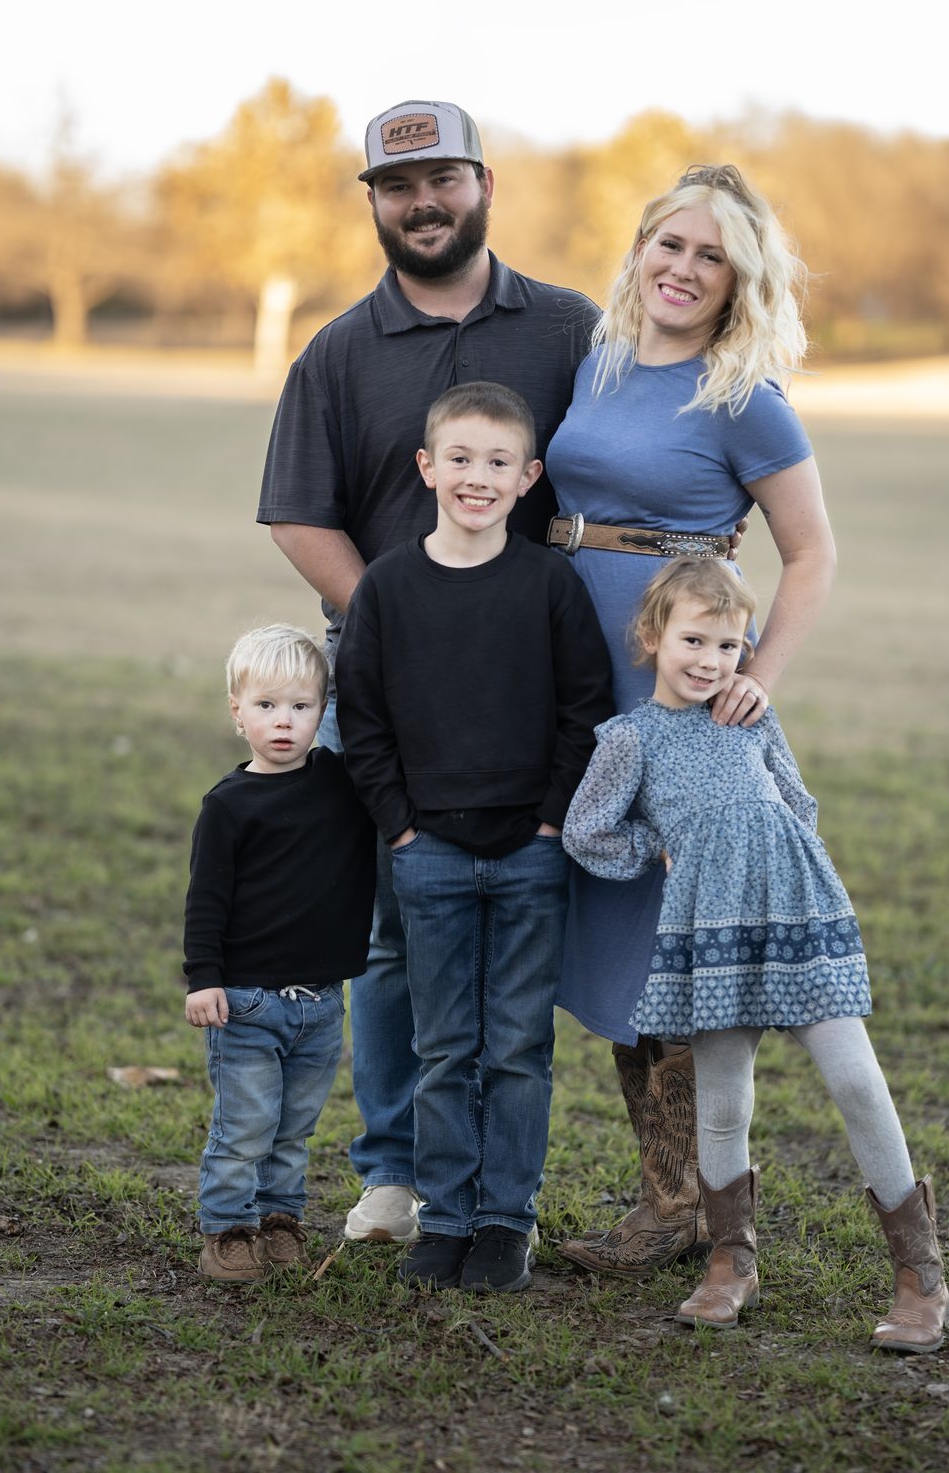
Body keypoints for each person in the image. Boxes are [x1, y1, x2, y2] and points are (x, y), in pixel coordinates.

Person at [257, 100, 597, 1245]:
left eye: (440, 180)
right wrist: (402, 625)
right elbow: (301, 517)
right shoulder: (339, 352)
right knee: (398, 936)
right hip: (387, 697)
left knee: (525, 939)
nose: (421, 204)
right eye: (396, 188)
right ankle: (397, 1172)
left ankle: (505, 1192)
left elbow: (625, 468)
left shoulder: (564, 330)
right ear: (374, 202)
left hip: (530, 695)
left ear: (482, 184)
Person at [543, 163, 836, 1277]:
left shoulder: (741, 393)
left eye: (707, 255)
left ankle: (702, 1206)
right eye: (668, 244)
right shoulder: (600, 361)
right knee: (613, 914)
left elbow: (810, 552)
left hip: (677, 692)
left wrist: (756, 675)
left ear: (737, 279)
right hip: (580, 673)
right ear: (640, 249)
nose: (680, 268)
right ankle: (668, 1196)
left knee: (676, 932)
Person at [563, 559, 949, 1348]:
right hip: (711, 933)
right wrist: (658, 845)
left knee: (855, 1079)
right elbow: (586, 829)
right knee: (725, 1095)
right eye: (693, 640)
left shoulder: (751, 714)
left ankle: (920, 1273)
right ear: (652, 638)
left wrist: (778, 854)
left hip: (797, 914)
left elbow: (798, 800)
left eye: (730, 644)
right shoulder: (630, 738)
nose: (710, 659)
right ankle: (731, 1260)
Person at [336, 382, 612, 1292]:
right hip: (430, 855)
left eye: (499, 463)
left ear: (529, 477)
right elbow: (365, 721)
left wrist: (550, 817)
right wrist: (401, 830)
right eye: (460, 458)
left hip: (531, 850)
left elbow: (584, 711)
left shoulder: (549, 584)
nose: (478, 477)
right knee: (447, 1046)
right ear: (427, 467)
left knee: (517, 1046)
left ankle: (504, 1222)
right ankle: (445, 1217)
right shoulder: (387, 586)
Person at [183, 625, 376, 1283]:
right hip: (247, 1002)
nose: (285, 722)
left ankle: (278, 1218)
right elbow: (205, 901)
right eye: (266, 706)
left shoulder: (343, 786)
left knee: (294, 1126)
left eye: (301, 706)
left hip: (320, 1002)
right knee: (246, 1124)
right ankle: (228, 1229)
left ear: (324, 710)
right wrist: (203, 980)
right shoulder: (229, 806)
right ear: (237, 711)